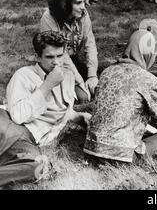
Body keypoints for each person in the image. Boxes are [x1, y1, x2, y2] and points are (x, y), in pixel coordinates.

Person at [83, 30, 157, 163]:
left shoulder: (106, 72)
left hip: (91, 149)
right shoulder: (147, 79)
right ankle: (138, 156)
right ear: (148, 54)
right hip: (121, 156)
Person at [0, 31, 90, 187]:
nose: (56, 62)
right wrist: (47, 85)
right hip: (9, 127)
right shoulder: (23, 75)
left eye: (60, 56)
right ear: (37, 57)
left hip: (29, 140)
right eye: (49, 57)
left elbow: (59, 110)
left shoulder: (67, 76)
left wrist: (78, 116)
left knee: (39, 168)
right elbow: (18, 116)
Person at [40, 0, 99, 103]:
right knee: (83, 97)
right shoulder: (49, 18)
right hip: (55, 62)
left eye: (84, 2)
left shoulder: (83, 14)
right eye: (78, 3)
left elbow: (90, 44)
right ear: (65, 4)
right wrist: (80, 81)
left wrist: (92, 75)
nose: (83, 7)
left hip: (73, 59)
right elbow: (62, 56)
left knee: (98, 86)